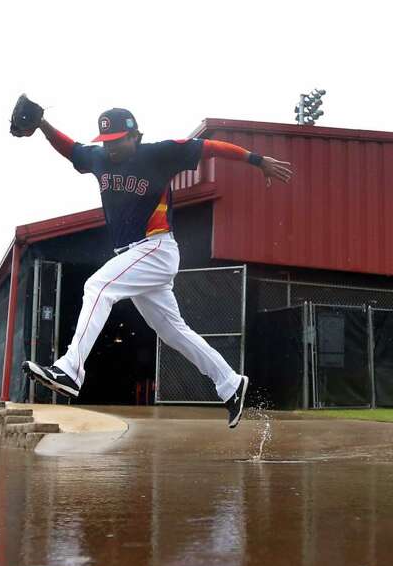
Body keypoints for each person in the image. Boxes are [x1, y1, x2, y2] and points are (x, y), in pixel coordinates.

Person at [19, 105, 293, 428]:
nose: (110, 146)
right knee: (173, 331)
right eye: (106, 140)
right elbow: (72, 150)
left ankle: (70, 369)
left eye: (118, 139)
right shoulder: (99, 159)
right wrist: (41, 124)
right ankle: (231, 384)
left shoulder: (160, 154)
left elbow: (211, 148)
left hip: (156, 248)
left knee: (98, 287)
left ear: (136, 135)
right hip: (136, 257)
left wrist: (257, 161)